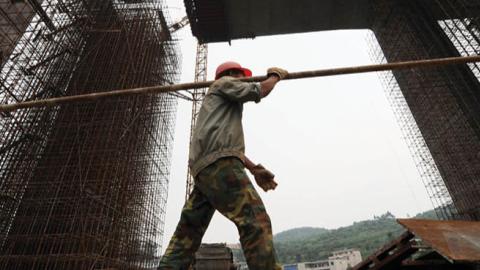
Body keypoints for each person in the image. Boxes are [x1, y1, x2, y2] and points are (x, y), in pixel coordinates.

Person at [158, 61, 288, 270]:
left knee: (188, 234)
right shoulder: (223, 83)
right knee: (255, 221)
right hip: (220, 167)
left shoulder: (217, 108)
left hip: (205, 171)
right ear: (231, 74)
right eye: (240, 76)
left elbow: (222, 147)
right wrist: (275, 76)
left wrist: (254, 168)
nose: (242, 80)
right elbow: (259, 90)